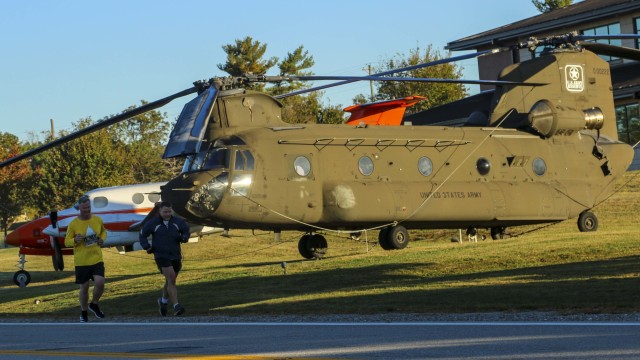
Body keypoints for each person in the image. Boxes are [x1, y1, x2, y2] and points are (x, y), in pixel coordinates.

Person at [139, 201, 190, 316]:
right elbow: (142, 235)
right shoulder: (153, 223)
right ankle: (176, 306)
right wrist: (147, 247)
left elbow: (185, 231)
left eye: (169, 211)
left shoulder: (178, 222)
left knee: (170, 280)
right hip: (161, 255)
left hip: (175, 254)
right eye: (165, 212)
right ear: (160, 211)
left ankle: (163, 301)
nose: (167, 214)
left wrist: (184, 237)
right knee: (171, 278)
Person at [64, 195, 107, 323]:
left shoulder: (98, 220)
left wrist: (101, 239)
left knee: (100, 283)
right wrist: (75, 240)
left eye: (88, 207)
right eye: (84, 208)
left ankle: (94, 304)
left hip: (96, 258)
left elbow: (104, 232)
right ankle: (83, 312)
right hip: (82, 261)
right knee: (85, 287)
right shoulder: (73, 224)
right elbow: (66, 242)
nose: (87, 210)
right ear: (79, 208)